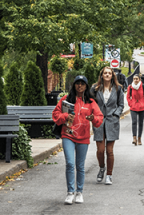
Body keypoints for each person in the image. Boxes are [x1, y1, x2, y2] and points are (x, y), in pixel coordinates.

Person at [52, 75, 103, 204]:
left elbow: (99, 119)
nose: (80, 86)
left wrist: (93, 119)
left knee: (80, 166)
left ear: (86, 86)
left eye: (82, 83)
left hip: (83, 137)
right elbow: (56, 115)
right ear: (74, 85)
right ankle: (70, 192)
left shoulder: (91, 102)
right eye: (77, 83)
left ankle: (79, 192)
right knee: (70, 163)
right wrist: (65, 116)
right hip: (68, 135)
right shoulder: (66, 100)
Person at [90, 66, 124, 185]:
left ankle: (109, 175)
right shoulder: (95, 88)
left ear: (112, 75)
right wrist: (93, 116)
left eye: (109, 73)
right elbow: (90, 103)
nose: (107, 75)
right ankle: (102, 168)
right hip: (99, 121)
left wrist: (116, 114)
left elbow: (121, 105)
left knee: (109, 151)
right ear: (102, 75)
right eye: (105, 73)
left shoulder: (118, 88)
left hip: (112, 121)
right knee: (100, 150)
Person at [126, 74, 144, 145]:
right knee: (134, 122)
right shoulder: (130, 87)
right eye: (134, 79)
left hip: (142, 107)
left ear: (139, 79)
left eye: (137, 79)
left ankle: (139, 138)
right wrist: (130, 103)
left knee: (140, 123)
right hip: (133, 107)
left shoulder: (143, 86)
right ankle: (134, 138)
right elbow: (128, 96)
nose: (135, 80)